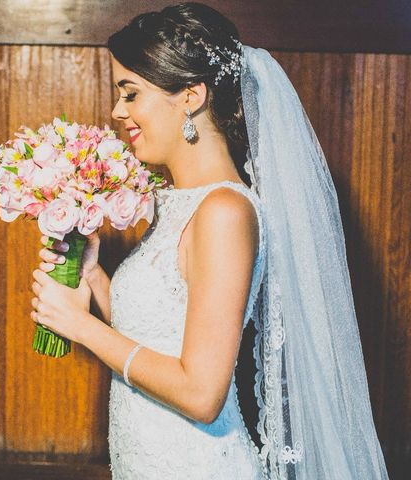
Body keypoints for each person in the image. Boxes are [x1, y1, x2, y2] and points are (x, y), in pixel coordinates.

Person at [29, 2, 390, 478]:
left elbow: (201, 395)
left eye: (131, 94)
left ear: (191, 96)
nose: (118, 111)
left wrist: (81, 327)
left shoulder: (224, 212)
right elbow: (157, 337)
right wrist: (95, 278)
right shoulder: (173, 202)